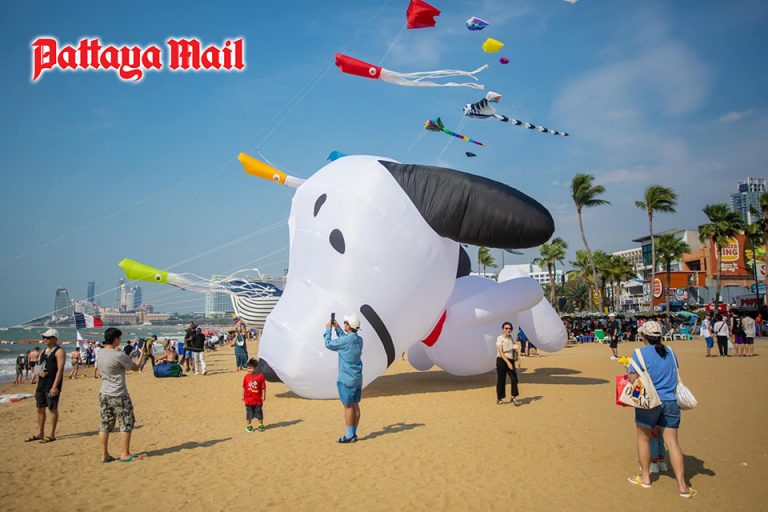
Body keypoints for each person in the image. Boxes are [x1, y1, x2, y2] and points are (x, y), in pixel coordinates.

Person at [626, 321, 695, 498]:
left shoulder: (639, 353)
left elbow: (633, 379)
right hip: (670, 401)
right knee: (672, 442)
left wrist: (629, 371)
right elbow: (673, 373)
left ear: (644, 336)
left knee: (643, 438)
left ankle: (645, 477)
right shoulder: (670, 351)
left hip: (650, 402)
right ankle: (682, 485)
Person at [98, 327, 144, 463]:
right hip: (118, 393)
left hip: (104, 392)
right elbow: (135, 368)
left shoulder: (100, 353)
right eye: (119, 337)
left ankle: (104, 454)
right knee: (126, 422)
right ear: (115, 339)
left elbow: (118, 363)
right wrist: (141, 354)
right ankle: (125, 453)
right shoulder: (118, 355)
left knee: (105, 424)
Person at [324, 314, 363, 443]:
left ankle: (349, 435)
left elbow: (328, 344)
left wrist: (328, 330)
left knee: (348, 407)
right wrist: (338, 328)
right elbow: (346, 339)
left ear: (349, 326)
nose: (344, 323)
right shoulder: (359, 340)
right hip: (357, 378)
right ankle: (353, 433)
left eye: (345, 322)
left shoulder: (346, 341)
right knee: (355, 405)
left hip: (346, 379)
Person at [26, 329, 66, 443]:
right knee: (40, 408)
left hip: (52, 384)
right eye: (44, 337)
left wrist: (55, 386)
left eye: (48, 337)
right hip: (41, 384)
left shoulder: (59, 351)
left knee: (52, 408)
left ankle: (52, 434)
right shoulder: (43, 351)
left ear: (55, 338)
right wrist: (39, 372)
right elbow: (37, 367)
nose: (45, 339)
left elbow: (60, 370)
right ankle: (40, 433)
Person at [495, 321, 520, 406]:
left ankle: (514, 396)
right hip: (501, 360)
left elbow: (515, 349)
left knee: (514, 379)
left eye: (510, 328)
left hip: (511, 359)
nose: (508, 330)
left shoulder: (511, 338)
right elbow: (500, 351)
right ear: (503, 329)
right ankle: (499, 398)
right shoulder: (500, 338)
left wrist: (519, 360)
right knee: (501, 379)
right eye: (506, 328)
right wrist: (507, 362)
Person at [242, 358, 267, 432]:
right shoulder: (246, 377)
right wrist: (243, 395)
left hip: (257, 400)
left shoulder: (260, 376)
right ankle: (249, 426)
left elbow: (263, 387)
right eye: (248, 368)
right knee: (249, 413)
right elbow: (244, 387)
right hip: (248, 400)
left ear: (256, 368)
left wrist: (264, 396)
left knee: (259, 412)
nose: (249, 370)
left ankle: (260, 425)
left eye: (250, 368)